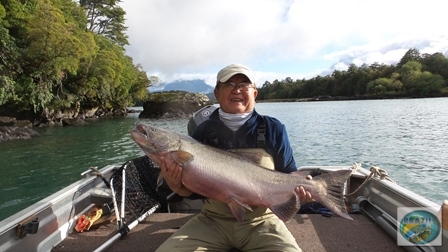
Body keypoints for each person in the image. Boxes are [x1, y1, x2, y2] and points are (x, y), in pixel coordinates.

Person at [156, 63, 312, 252]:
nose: (237, 90)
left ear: (254, 94)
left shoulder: (274, 129)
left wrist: (303, 189)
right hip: (212, 221)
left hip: (262, 221)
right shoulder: (203, 131)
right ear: (217, 93)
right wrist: (176, 185)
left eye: (244, 85)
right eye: (229, 85)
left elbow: (288, 172)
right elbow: (196, 191)